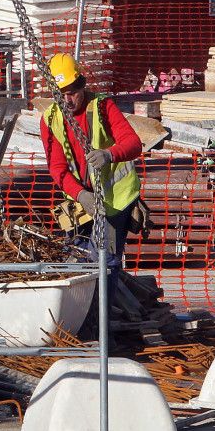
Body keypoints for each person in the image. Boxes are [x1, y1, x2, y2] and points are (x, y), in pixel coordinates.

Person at [39, 52, 142, 304]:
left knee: (106, 262)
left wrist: (109, 154)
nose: (67, 99)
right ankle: (83, 319)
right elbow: (57, 168)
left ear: (82, 85)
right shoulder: (49, 119)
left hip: (115, 202)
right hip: (81, 205)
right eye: (60, 93)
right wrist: (81, 194)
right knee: (76, 260)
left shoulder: (102, 107)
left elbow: (134, 144)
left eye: (72, 91)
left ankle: (102, 323)